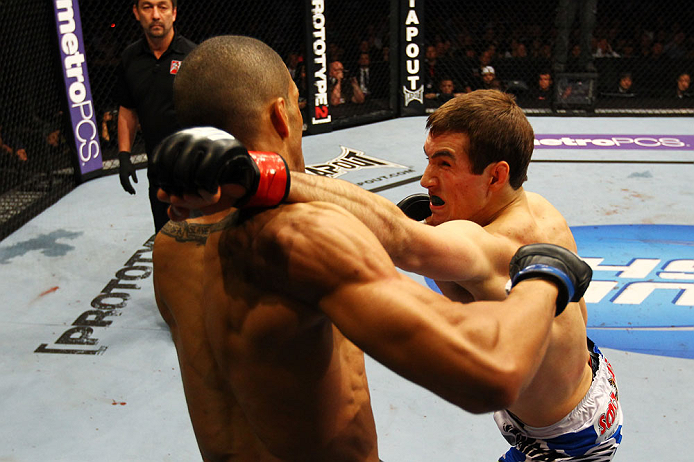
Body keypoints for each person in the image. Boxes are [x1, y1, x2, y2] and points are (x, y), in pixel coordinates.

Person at [150, 36, 594, 461]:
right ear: (282, 115)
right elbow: (491, 371)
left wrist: (258, 176)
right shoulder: (305, 234)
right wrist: (545, 275)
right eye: (300, 107)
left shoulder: (171, 246)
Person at [115, 0, 195, 233]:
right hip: (157, 167)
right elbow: (128, 109)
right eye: (148, 7)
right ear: (136, 12)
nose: (156, 15)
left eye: (163, 7)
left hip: (194, 167)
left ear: (174, 13)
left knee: (200, 240)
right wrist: (123, 156)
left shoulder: (193, 55)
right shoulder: (130, 58)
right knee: (166, 236)